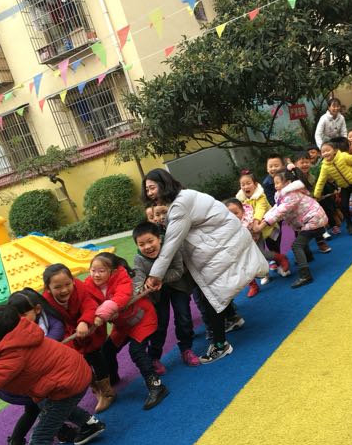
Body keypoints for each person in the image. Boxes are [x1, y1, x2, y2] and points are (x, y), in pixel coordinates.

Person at [142, 169, 268, 364]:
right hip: (225, 240)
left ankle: (220, 345)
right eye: (147, 189)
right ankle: (232, 318)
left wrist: (155, 275)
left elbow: (172, 243)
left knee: (209, 295)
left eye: (152, 188)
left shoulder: (180, 205)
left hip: (221, 244)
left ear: (163, 184)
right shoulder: (185, 196)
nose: (150, 193)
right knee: (211, 290)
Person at [0, 304, 105, 445]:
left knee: (40, 438)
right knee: (47, 403)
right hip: (71, 373)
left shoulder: (12, 354)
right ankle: (89, 424)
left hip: (67, 384)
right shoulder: (20, 332)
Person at [0, 289, 76, 445]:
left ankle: (16, 444)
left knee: (35, 409)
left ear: (38, 309)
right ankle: (60, 431)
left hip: (27, 381)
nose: (21, 319)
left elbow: (56, 328)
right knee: (44, 405)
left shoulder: (42, 320)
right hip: (20, 385)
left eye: (24, 314)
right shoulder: (13, 332)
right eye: (18, 316)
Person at [84, 253, 168, 411]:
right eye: (93, 270)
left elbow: (121, 298)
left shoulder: (122, 278)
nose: (96, 274)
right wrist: (87, 320)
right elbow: (87, 304)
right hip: (122, 325)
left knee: (136, 350)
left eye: (101, 271)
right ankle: (112, 378)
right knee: (107, 349)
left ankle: (156, 386)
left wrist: (102, 314)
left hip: (141, 319)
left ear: (113, 272)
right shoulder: (88, 285)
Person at [42, 264, 112, 413]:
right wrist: (70, 338)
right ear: (48, 289)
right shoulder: (46, 302)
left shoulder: (80, 288)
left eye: (67, 284)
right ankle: (96, 390)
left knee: (96, 356)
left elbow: (89, 305)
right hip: (69, 335)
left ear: (73, 280)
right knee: (80, 363)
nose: (64, 290)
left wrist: (84, 321)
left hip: (89, 330)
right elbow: (55, 323)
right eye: (57, 287)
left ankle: (107, 392)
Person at [132, 221, 200, 368]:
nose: (147, 246)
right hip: (157, 293)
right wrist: (140, 289)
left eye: (150, 241)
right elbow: (138, 278)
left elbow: (178, 271)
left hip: (178, 286)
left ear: (159, 238)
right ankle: (154, 356)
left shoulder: (171, 249)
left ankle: (186, 349)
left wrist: (158, 278)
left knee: (183, 316)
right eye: (142, 244)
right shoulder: (139, 259)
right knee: (160, 324)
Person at [259, 168, 328, 289]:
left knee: (296, 245)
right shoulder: (281, 195)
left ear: (287, 183)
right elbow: (276, 208)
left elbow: (281, 211)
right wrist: (264, 219)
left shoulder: (291, 195)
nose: (275, 186)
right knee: (301, 237)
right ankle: (308, 256)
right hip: (311, 219)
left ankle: (305, 275)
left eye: (278, 183)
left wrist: (264, 224)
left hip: (314, 219)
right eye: (274, 183)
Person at [236, 170, 288, 296]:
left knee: (271, 248)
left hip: (266, 227)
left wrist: (256, 223)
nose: (245, 187)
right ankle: (263, 275)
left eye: (248, 183)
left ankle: (280, 261)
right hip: (253, 232)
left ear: (255, 184)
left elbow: (260, 209)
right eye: (243, 184)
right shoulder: (240, 200)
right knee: (254, 255)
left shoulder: (261, 196)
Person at [225, 198, 291, 297]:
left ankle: (280, 258)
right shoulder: (228, 223)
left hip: (255, 238)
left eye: (236, 213)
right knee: (243, 264)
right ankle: (253, 286)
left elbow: (253, 227)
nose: (234, 216)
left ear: (242, 210)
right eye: (230, 214)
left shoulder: (248, 217)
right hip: (241, 244)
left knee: (261, 254)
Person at [313, 139, 352, 235]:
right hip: (344, 186)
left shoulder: (343, 156)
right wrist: (316, 195)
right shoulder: (325, 166)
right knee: (344, 205)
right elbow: (321, 181)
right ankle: (349, 224)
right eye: (323, 152)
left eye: (328, 150)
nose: (326, 153)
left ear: (334, 150)